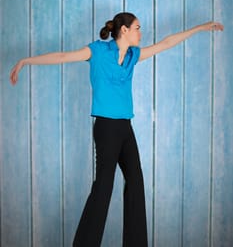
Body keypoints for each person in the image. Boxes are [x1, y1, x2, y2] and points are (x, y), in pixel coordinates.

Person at [10, 12, 223, 247]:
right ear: (124, 31)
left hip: (125, 127)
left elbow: (166, 42)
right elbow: (62, 56)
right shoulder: (98, 51)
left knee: (135, 180)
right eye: (137, 28)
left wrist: (199, 27)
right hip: (106, 128)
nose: (141, 33)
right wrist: (25, 61)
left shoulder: (133, 55)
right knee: (104, 185)